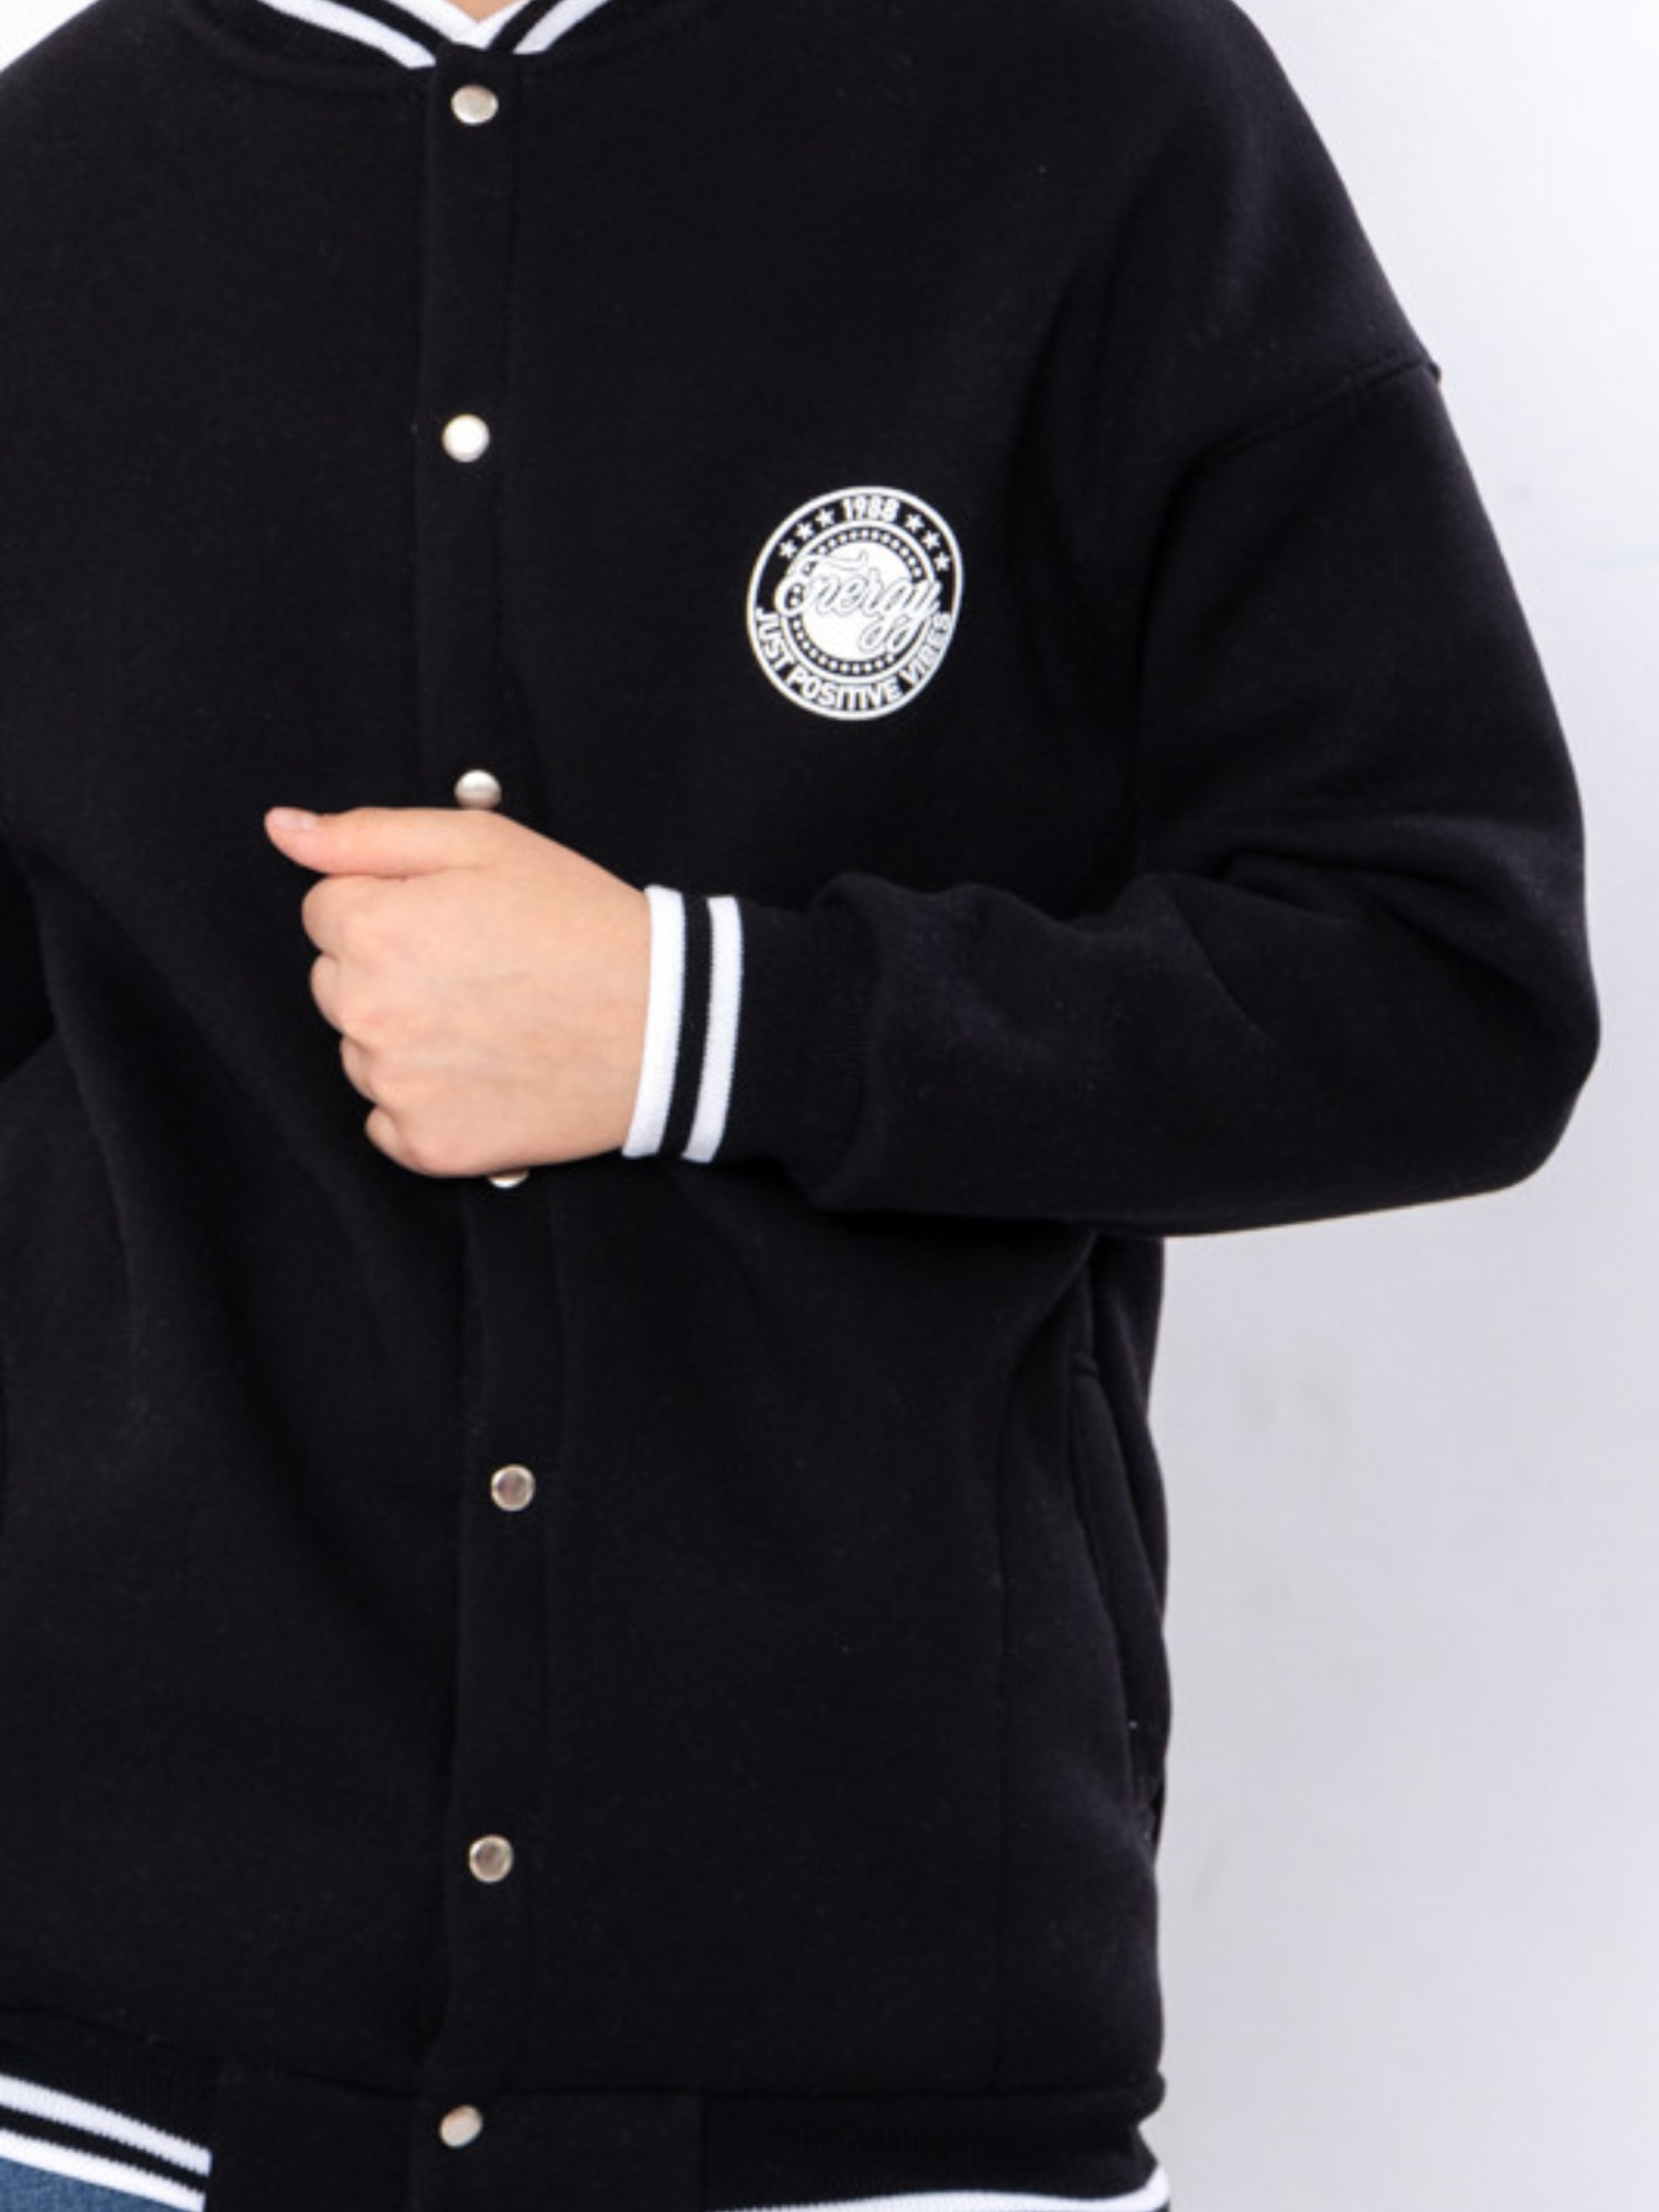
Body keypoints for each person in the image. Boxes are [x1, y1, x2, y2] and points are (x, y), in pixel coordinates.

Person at [0, 0, 1600, 2205]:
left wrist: (708, 1018)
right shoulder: (55, 185)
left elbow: (1446, 983)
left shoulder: (1094, 100)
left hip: (872, 2055)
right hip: (88, 2076)